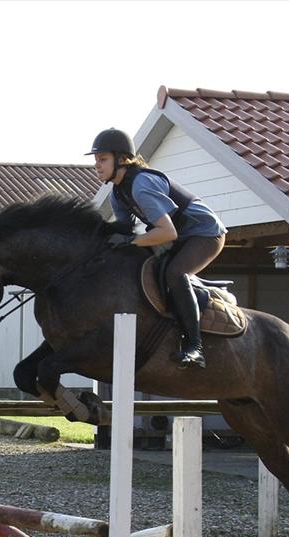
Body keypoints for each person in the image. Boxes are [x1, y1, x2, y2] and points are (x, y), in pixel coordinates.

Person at [87, 128, 226, 369]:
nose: (97, 166)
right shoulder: (117, 194)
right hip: (179, 236)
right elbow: (125, 230)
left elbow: (166, 233)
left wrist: (130, 242)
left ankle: (195, 347)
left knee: (175, 273)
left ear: (122, 159)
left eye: (102, 159)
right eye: (96, 160)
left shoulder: (141, 184)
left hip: (205, 234)